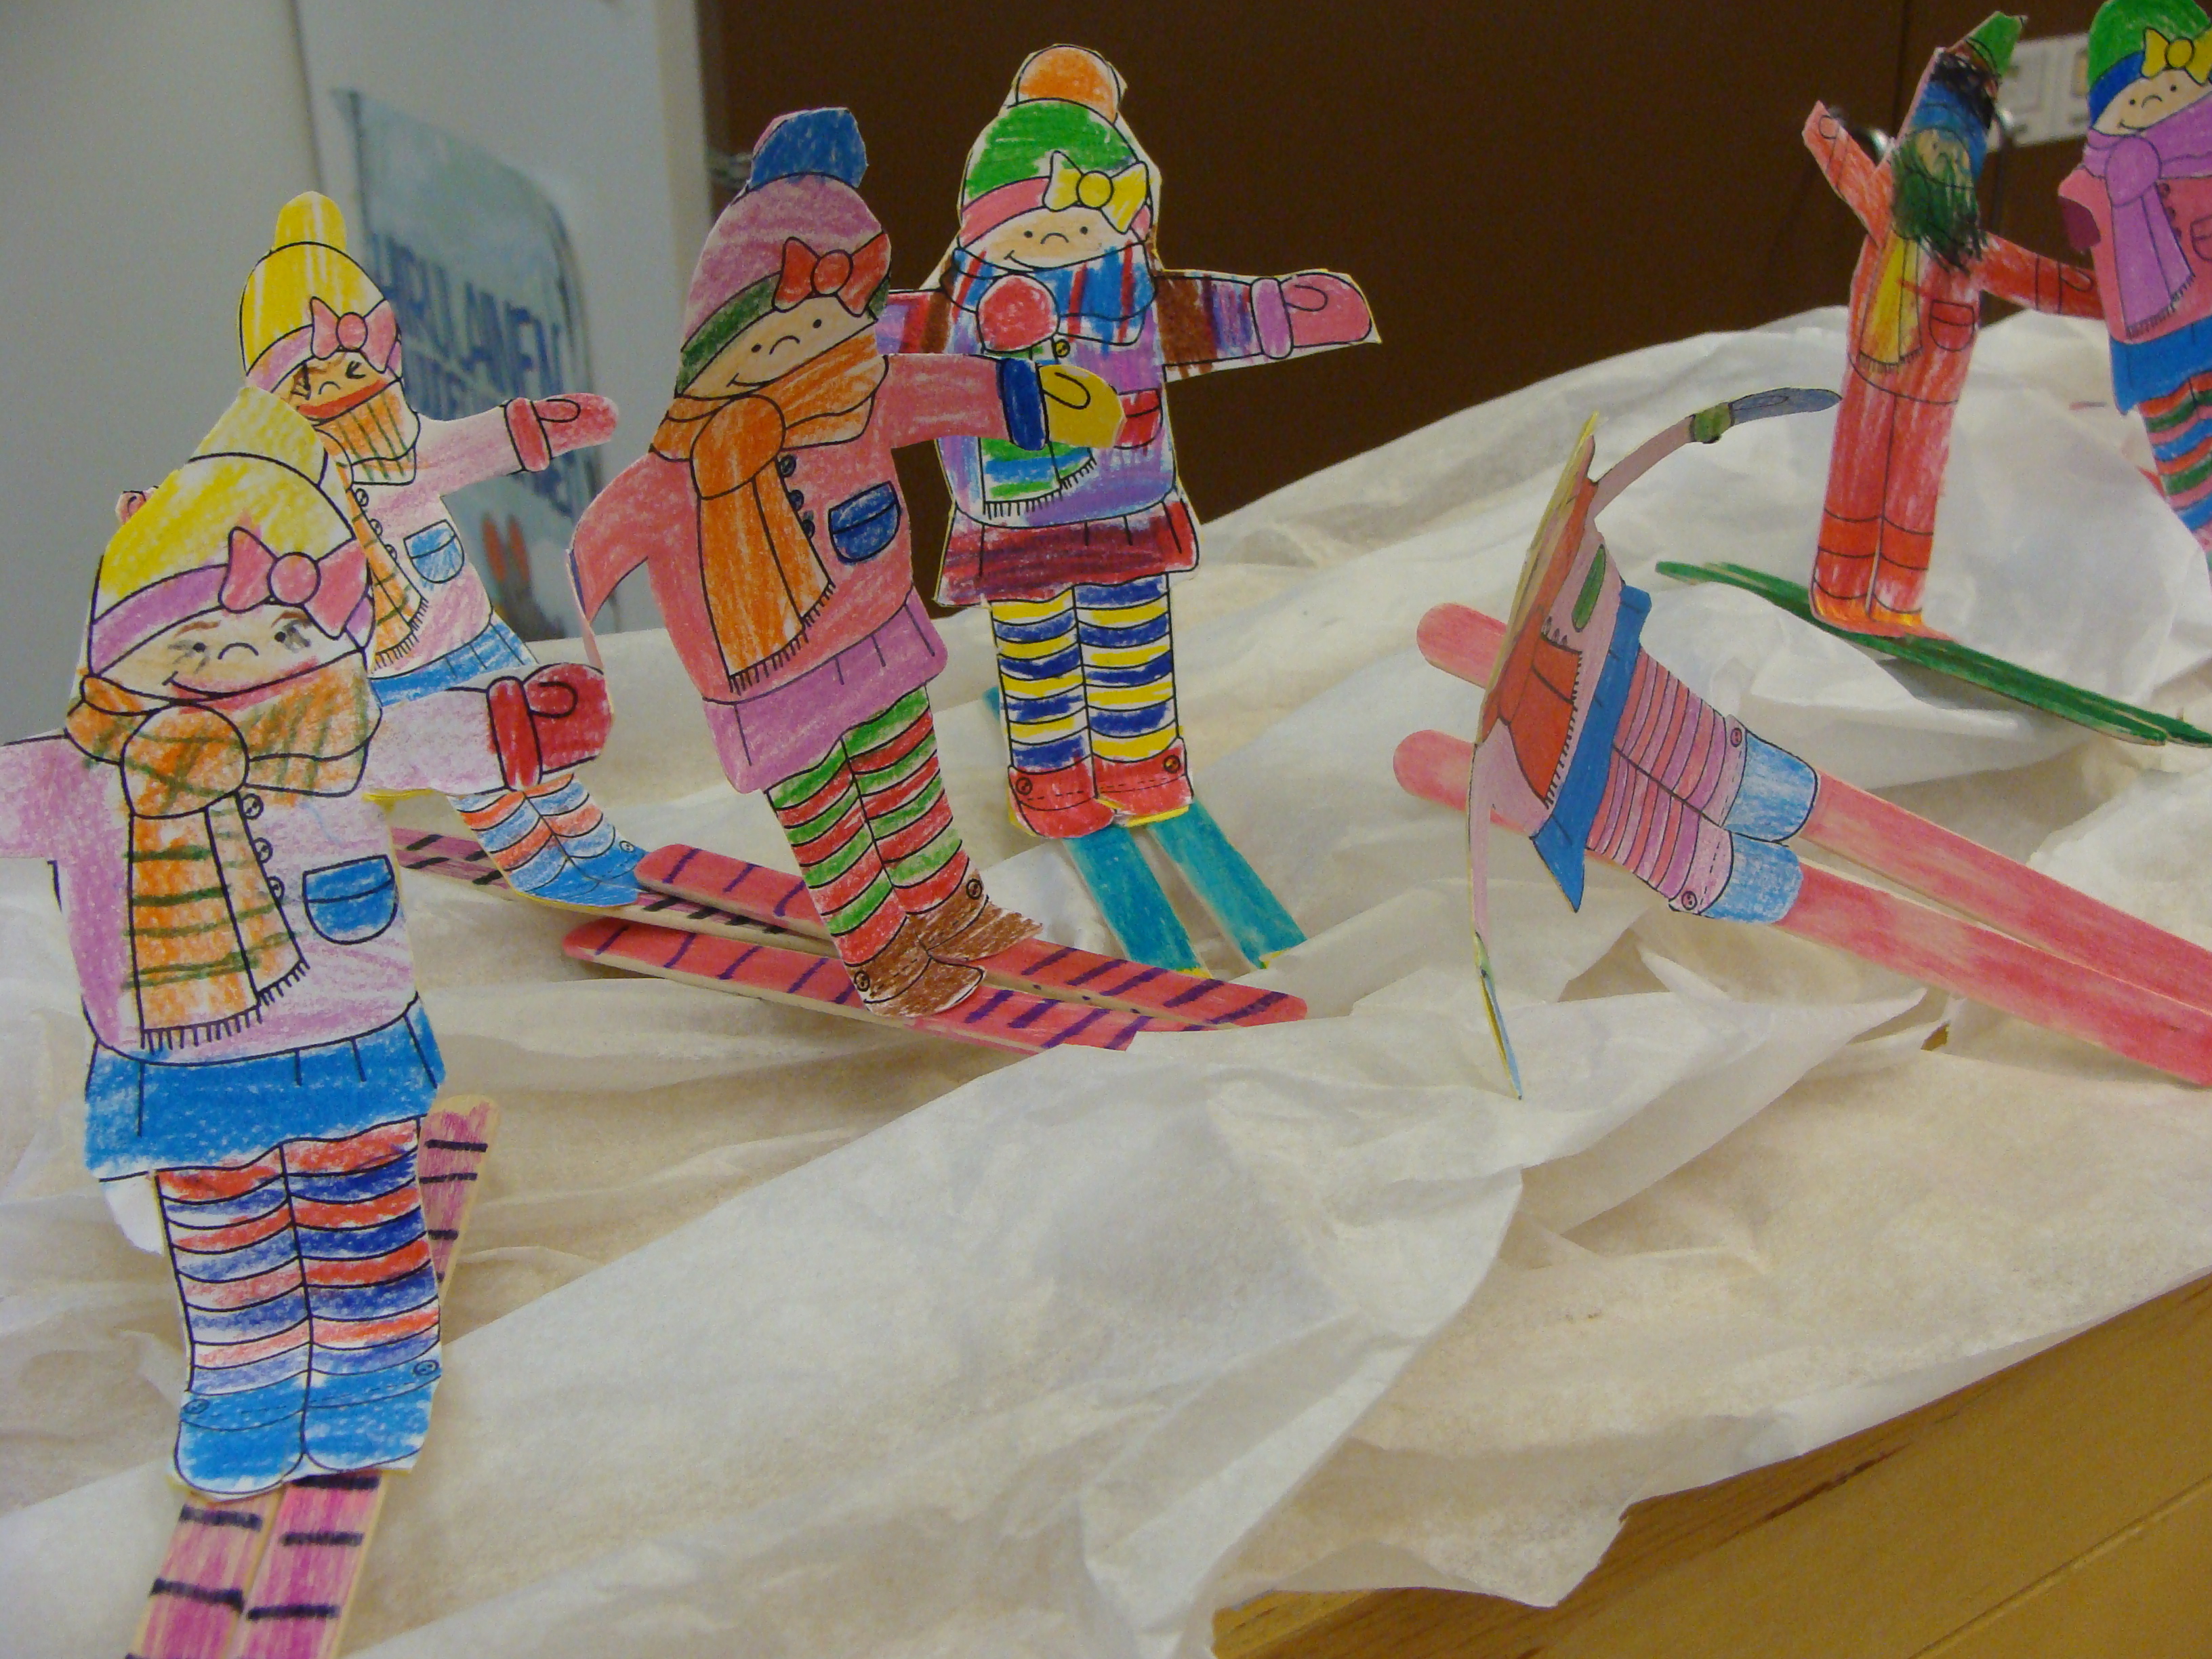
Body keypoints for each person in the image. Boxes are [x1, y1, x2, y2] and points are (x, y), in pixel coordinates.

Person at [0, 388, 617, 1496]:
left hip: (343, 1034)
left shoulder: (337, 730)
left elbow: (430, 733)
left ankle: (373, 1365)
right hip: (188, 1061)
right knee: (227, 1235)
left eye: (283, 634)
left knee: (356, 1210)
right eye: (200, 641)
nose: (246, 660)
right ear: (124, 656)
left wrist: (524, 723)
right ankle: (244, 1385)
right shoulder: (80, 771)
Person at [571, 109, 1123, 1015]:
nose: (799, 356)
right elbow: (596, 547)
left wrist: (1033, 399)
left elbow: (946, 391)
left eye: (825, 330)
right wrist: (573, 670)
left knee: (907, 779)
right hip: (771, 681)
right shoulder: (675, 475)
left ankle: (944, 908)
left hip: (873, 638)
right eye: (769, 342)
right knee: (828, 816)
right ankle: (881, 948)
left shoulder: (859, 392)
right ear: (715, 348)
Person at [884, 46, 1375, 836]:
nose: (1058, 240)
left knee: (1130, 642)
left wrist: (1286, 314)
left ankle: (1138, 763)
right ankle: (1050, 778)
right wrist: (814, 350)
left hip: (1125, 514)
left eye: (1083, 226)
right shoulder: (949, 312)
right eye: (1029, 228)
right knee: (1035, 653)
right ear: (982, 230)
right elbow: (874, 340)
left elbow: (1214, 315)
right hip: (1012, 522)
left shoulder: (1139, 297)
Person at [237, 192, 642, 904]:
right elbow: (224, 517)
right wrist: (160, 516)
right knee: (477, 771)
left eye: (352, 371)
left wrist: (541, 426)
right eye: (311, 382)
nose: (336, 393)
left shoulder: (409, 451)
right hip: (403, 677)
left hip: (478, 643)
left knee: (535, 744)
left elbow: (474, 443)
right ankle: (537, 864)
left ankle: (590, 842)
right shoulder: (284, 493)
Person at [1807, 14, 2102, 636]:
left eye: (1952, 153)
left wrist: (2109, 299)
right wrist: (1820, 125)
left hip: (1932, 392)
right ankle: (1839, 586)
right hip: (1870, 369)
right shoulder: (1886, 205)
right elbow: (1841, 163)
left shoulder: (1971, 249)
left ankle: (1896, 601)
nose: (1938, 160)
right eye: (1929, 146)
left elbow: (2037, 278)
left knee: (1913, 490)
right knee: (1858, 475)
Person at [2061, 0, 2212, 555]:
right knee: (2187, 475)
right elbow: (2083, 234)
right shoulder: (2092, 185)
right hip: (2153, 356)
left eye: (2173, 90)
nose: (2156, 102)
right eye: (2136, 97)